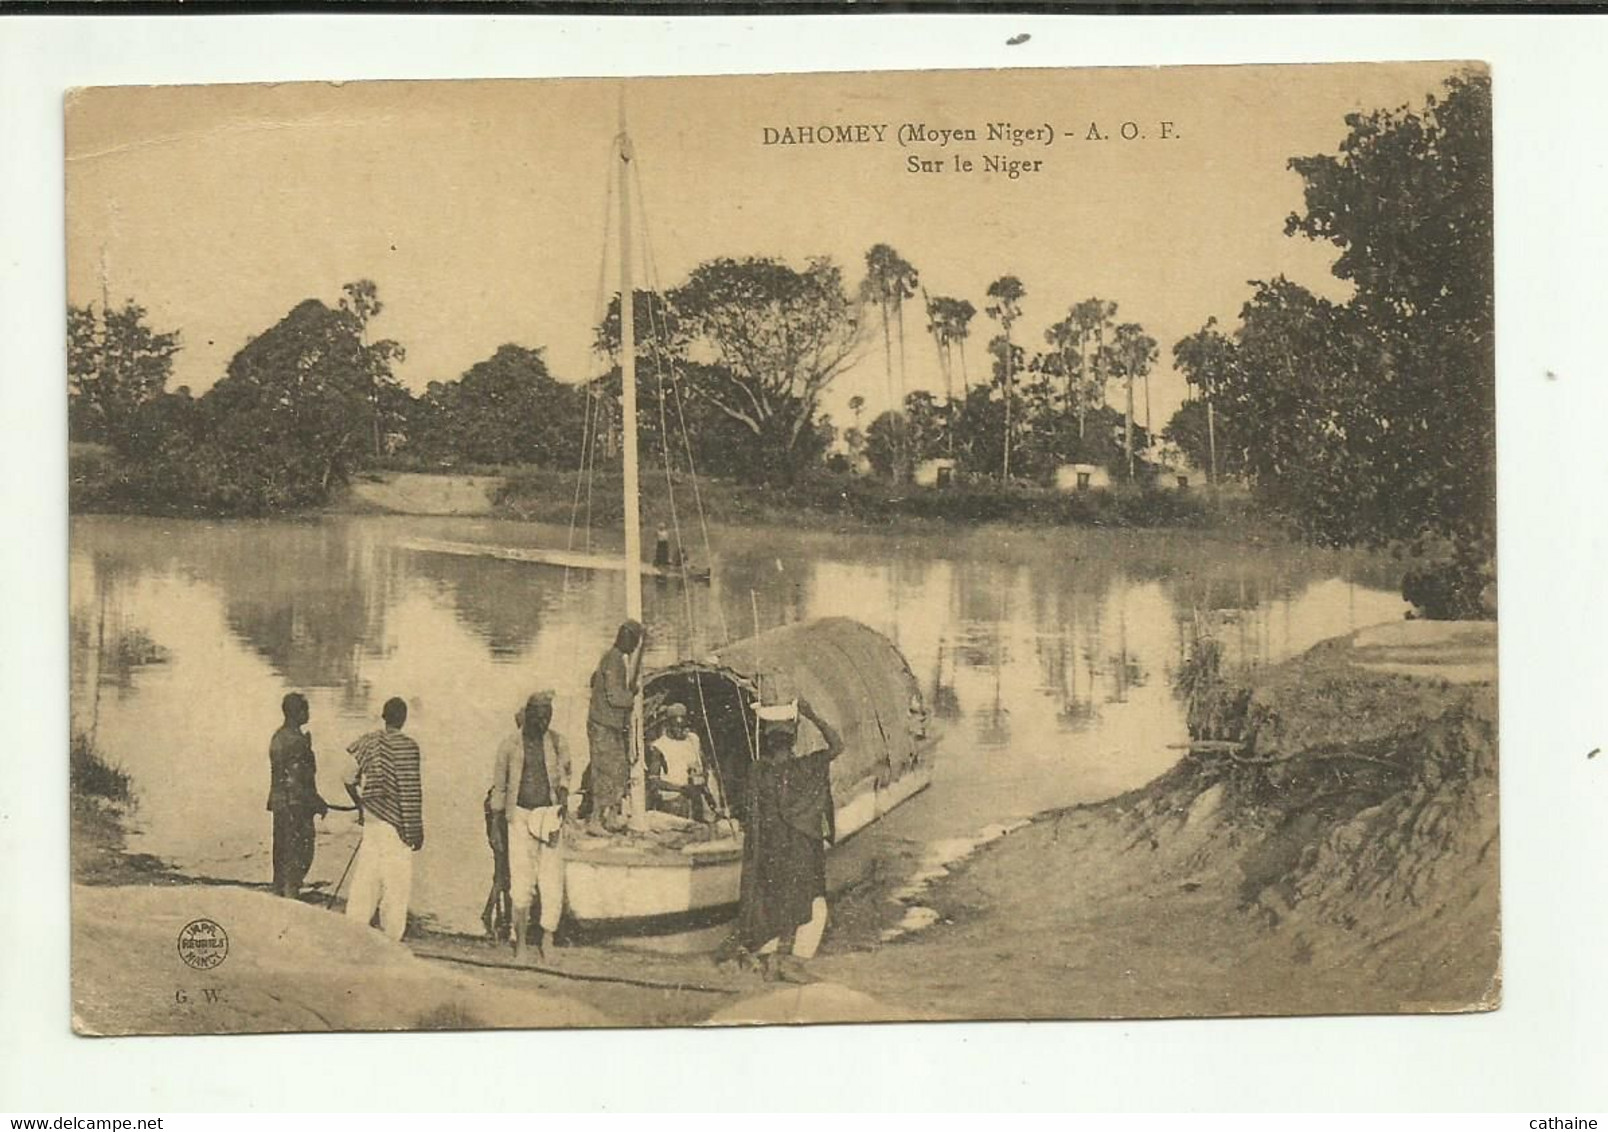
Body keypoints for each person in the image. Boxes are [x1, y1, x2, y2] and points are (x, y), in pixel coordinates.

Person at [731, 687, 844, 983]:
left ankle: (768, 959)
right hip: (799, 852)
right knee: (813, 904)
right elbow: (836, 745)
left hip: (769, 853)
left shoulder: (757, 772)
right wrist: (811, 715)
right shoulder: (806, 768)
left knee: (770, 902)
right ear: (793, 741)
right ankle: (793, 962)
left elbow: (748, 812)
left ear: (768, 743)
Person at [488, 691, 572, 962]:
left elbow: (565, 776)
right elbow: (499, 791)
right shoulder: (509, 745)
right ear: (528, 715)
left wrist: (562, 801)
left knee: (551, 882)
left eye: (548, 716)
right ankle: (521, 944)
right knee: (521, 884)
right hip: (520, 818)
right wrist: (495, 827)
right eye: (539, 715)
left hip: (549, 816)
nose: (544, 721)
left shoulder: (559, 742)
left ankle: (547, 942)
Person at [343, 697, 423, 941]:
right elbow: (411, 792)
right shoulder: (409, 747)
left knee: (366, 878)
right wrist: (416, 830)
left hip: (373, 820)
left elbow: (347, 777)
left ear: (384, 717)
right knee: (396, 884)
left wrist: (361, 805)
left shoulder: (368, 742)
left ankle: (355, 931)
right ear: (404, 719)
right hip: (396, 825)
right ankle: (390, 938)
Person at [265, 692, 327, 899]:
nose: (308, 713)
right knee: (300, 852)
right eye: (305, 709)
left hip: (280, 802)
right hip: (296, 804)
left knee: (281, 850)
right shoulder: (297, 741)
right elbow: (299, 779)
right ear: (297, 713)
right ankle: (291, 895)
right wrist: (317, 802)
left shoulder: (278, 736)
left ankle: (280, 891)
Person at [586, 619, 643, 834]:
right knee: (604, 772)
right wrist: (632, 695)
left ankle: (610, 817)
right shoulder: (613, 660)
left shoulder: (618, 659)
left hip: (613, 726)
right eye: (634, 641)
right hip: (603, 726)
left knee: (618, 771)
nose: (635, 646)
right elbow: (615, 696)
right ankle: (595, 820)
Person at [646, 703, 710, 822]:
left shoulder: (693, 739)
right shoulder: (660, 746)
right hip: (673, 798)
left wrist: (701, 779)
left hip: (695, 795)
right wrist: (680, 789)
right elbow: (653, 780)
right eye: (677, 726)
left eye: (684, 726)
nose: (681, 730)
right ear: (668, 725)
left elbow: (704, 765)